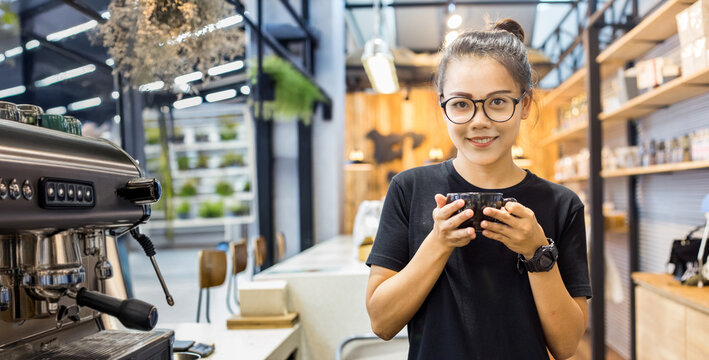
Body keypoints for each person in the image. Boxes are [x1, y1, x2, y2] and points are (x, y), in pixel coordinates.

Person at [364, 19, 592, 360]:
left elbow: (566, 344)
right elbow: (381, 322)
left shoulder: (561, 205)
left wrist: (537, 252)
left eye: (498, 102)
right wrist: (438, 243)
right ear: (442, 106)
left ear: (525, 104)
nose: (478, 120)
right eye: (461, 104)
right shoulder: (409, 190)